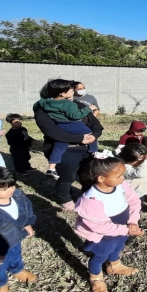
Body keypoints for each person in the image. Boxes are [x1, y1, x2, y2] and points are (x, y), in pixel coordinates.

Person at [74, 156, 144, 292]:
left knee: (118, 246)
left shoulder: (122, 185)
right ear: (101, 178)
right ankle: (96, 279)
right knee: (100, 255)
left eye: (123, 175)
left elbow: (134, 201)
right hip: (104, 234)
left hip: (124, 225)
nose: (123, 178)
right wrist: (126, 229)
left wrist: (132, 222)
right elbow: (99, 226)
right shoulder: (91, 199)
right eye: (119, 176)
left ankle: (115, 265)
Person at [34, 83, 103, 212]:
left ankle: (87, 195)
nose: (74, 92)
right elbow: (51, 131)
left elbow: (96, 125)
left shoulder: (80, 105)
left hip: (86, 148)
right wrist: (79, 138)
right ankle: (65, 198)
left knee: (88, 175)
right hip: (66, 149)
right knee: (68, 177)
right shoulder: (43, 110)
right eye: (71, 90)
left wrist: (94, 136)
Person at [36, 79, 97, 180]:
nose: (74, 92)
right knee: (90, 134)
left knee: (60, 144)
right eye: (72, 90)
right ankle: (94, 152)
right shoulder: (69, 104)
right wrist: (88, 108)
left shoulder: (45, 102)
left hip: (60, 125)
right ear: (62, 93)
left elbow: (37, 105)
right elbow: (75, 116)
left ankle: (51, 168)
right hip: (73, 124)